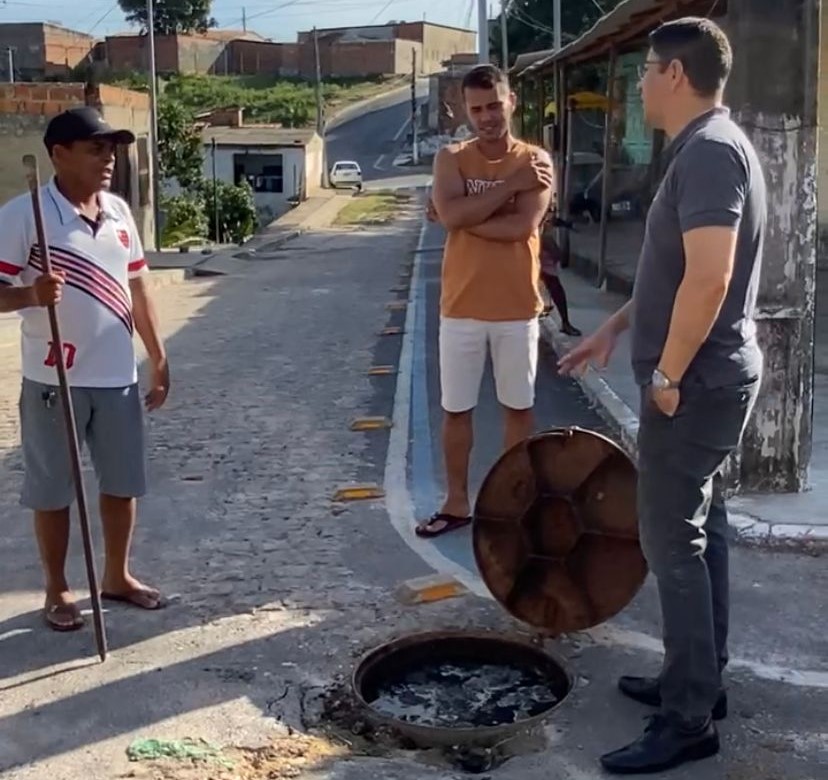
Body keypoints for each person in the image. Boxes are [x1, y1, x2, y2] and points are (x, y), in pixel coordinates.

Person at [559, 18, 765, 774]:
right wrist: (613, 329)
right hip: (704, 377)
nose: (639, 83)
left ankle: (688, 719)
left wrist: (668, 375)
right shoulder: (707, 146)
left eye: (645, 69)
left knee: (673, 543)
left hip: (697, 383)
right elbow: (671, 273)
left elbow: (709, 279)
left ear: (675, 74)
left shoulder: (709, 151)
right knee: (701, 532)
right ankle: (698, 682)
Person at [0, 106, 170, 631]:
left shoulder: (117, 212)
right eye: (96, 149)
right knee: (54, 488)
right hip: (55, 380)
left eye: (111, 149)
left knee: (122, 483)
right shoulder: (25, 215)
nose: (109, 159)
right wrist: (30, 294)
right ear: (59, 154)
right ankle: (57, 588)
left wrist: (158, 354)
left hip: (118, 376)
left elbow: (137, 286)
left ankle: (117, 576)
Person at [415, 64, 554, 538]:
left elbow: (521, 227)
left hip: (517, 308)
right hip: (461, 308)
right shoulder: (451, 158)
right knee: (456, 410)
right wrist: (508, 188)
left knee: (518, 409)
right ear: (465, 111)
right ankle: (457, 503)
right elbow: (456, 215)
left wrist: (457, 215)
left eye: (495, 105)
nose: (488, 117)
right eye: (477, 109)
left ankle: (512, 505)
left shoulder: (536, 160)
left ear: (511, 101)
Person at [539, 206, 581, 336]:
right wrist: (556, 253)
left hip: (539, 256)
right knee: (555, 288)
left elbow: (552, 221)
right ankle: (565, 323)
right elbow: (546, 238)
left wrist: (566, 224)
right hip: (536, 255)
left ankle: (565, 323)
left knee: (554, 288)